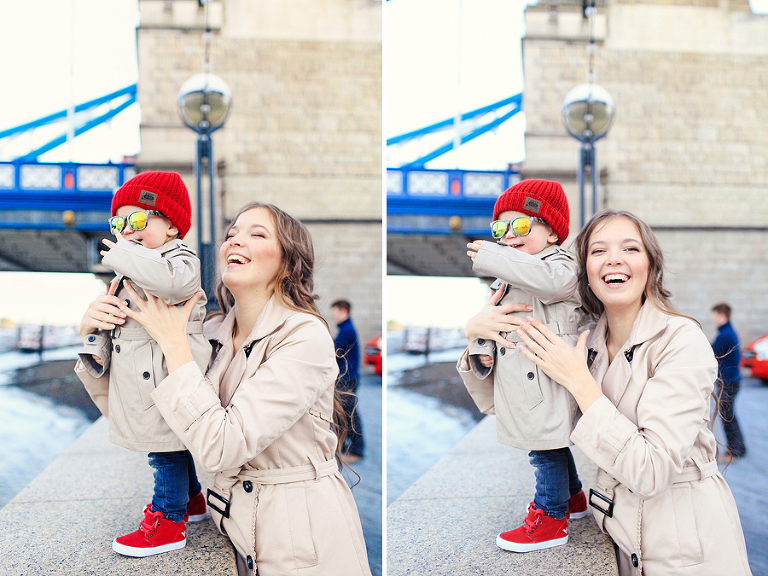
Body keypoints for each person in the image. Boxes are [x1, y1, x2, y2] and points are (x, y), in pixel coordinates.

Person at [81, 202, 372, 576]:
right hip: (235, 529)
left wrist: (173, 344)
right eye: (232, 233)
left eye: (256, 234)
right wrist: (94, 335)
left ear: (287, 262)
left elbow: (223, 446)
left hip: (304, 545)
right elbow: (150, 416)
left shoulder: (306, 336)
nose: (236, 240)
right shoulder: (212, 332)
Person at [477, 209, 750, 575]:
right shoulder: (585, 340)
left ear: (651, 266)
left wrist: (579, 382)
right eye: (598, 250)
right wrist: (478, 334)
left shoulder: (681, 341)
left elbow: (652, 471)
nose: (614, 259)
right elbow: (514, 405)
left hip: (688, 554)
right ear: (585, 272)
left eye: (631, 249)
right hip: (620, 540)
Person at [75, 171, 212, 557]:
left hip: (167, 372)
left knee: (163, 449)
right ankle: (193, 501)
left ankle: (169, 522)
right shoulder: (134, 266)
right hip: (142, 372)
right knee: (173, 445)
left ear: (171, 225)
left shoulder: (178, 258)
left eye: (138, 220)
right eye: (118, 222)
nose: (126, 231)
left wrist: (122, 252)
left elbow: (171, 285)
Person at [457, 179, 588, 553]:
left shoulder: (560, 266)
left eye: (521, 226)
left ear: (551, 232)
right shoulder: (508, 276)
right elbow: (493, 318)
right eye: (501, 229)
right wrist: (483, 346)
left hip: (545, 375)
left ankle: (551, 518)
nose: (508, 236)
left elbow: (545, 282)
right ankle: (573, 499)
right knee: (549, 444)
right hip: (523, 373)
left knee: (542, 447)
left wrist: (494, 255)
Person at [711, 303, 747, 462]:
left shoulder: (725, 335)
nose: (713, 319)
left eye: (715, 315)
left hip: (729, 382)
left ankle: (734, 450)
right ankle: (740, 448)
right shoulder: (728, 332)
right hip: (732, 380)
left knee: (727, 416)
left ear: (722, 315)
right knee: (729, 415)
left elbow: (710, 352)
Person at [331, 299, 365, 463]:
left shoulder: (347, 331)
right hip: (347, 378)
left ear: (344, 311)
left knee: (349, 416)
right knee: (341, 415)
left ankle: (357, 451)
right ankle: (342, 448)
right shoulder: (345, 329)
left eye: (335, 312)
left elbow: (334, 351)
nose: (333, 315)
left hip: (347, 379)